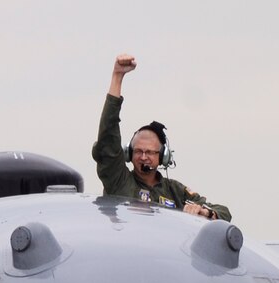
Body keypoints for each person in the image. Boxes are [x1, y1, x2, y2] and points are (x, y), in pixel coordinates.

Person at [92, 54, 231, 221]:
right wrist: (117, 77)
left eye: (150, 152)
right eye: (138, 151)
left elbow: (224, 213)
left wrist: (204, 212)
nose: (143, 157)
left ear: (163, 156)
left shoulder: (174, 191)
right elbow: (108, 139)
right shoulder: (119, 181)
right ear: (129, 153)